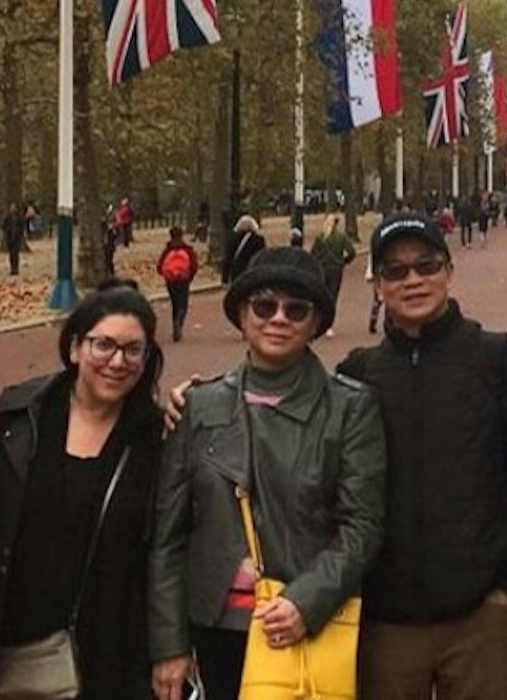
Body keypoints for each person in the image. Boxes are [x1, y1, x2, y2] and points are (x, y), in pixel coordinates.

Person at [149, 248, 385, 700]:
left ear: (315, 323)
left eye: (296, 310)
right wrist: (169, 644)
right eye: (264, 306)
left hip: (299, 622)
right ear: (242, 314)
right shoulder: (197, 406)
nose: (279, 318)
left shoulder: (350, 409)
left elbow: (363, 524)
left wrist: (307, 600)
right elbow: (168, 536)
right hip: (215, 625)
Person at [338, 210, 507, 700]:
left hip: (479, 614)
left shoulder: (495, 357)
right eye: (396, 271)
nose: (413, 280)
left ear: (448, 271)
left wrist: (506, 585)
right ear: (378, 284)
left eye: (426, 265)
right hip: (387, 618)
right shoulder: (355, 373)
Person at [0, 281, 164, 700]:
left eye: (134, 350)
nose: (118, 361)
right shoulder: (17, 420)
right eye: (104, 345)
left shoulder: (156, 439)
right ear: (76, 347)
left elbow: (166, 551)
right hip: (12, 644)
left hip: (109, 649)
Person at [310, 212, 355, 337]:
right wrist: (344, 262)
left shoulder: (320, 237)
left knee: (319, 296)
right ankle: (328, 326)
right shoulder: (341, 237)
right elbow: (352, 252)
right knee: (332, 297)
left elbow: (313, 253)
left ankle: (317, 322)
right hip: (336, 270)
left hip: (322, 269)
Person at [157, 225, 199, 343]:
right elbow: (194, 265)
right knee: (183, 303)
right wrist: (189, 276)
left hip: (170, 280)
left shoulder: (167, 250)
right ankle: (179, 322)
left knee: (174, 303)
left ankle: (175, 322)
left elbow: (160, 267)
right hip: (183, 280)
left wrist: (166, 274)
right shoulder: (187, 249)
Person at [221, 213, 264, 286]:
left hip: (237, 274)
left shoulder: (233, 239)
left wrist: (224, 278)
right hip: (252, 273)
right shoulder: (259, 240)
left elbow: (228, 259)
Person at [0, 203, 25, 278]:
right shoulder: (7, 217)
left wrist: (20, 234)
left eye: (14, 208)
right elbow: (4, 226)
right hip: (10, 238)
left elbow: (22, 226)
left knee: (16, 254)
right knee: (11, 254)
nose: (13, 209)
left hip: (17, 238)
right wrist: (7, 232)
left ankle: (16, 269)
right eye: (12, 208)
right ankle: (12, 268)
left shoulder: (19, 217)